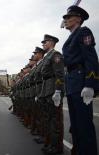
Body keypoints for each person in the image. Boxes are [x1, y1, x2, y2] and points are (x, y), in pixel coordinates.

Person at [62, 5, 98, 155]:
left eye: (68, 17)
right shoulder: (71, 36)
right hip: (72, 83)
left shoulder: (84, 32)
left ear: (78, 19)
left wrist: (90, 84)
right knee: (75, 124)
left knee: (84, 124)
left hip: (80, 81)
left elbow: (91, 58)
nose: (66, 20)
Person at [40, 34, 64, 154]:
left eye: (45, 42)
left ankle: (56, 147)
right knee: (49, 118)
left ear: (52, 42)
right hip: (46, 89)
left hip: (53, 89)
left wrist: (58, 90)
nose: (43, 44)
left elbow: (59, 74)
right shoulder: (46, 57)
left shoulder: (55, 55)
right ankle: (50, 144)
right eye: (43, 42)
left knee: (55, 120)